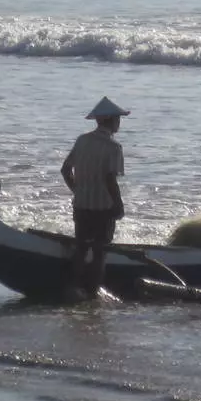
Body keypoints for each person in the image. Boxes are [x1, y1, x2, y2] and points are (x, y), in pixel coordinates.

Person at [60, 96, 129, 296]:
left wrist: (78, 191)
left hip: (81, 205)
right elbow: (110, 179)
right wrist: (118, 204)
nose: (119, 123)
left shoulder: (82, 140)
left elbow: (65, 170)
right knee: (99, 253)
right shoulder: (113, 148)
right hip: (103, 209)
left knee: (81, 249)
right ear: (111, 121)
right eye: (118, 119)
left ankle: (73, 287)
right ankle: (91, 293)